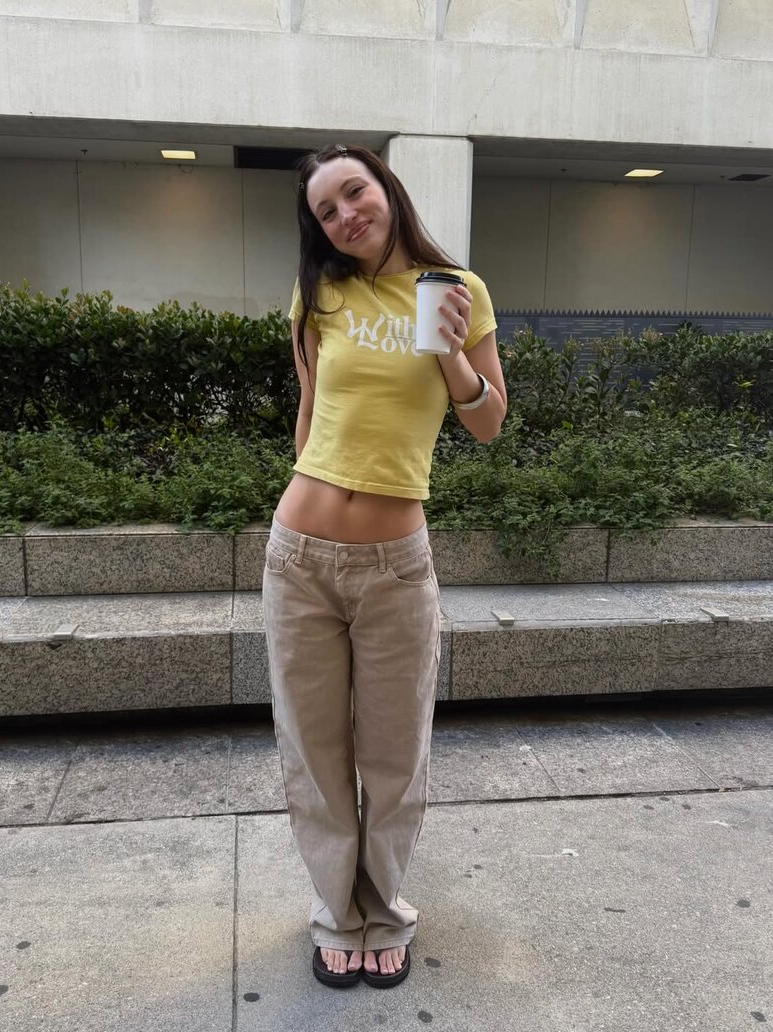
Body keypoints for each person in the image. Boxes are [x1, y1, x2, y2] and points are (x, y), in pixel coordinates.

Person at [262, 143, 507, 989]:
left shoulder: (461, 291)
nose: (345, 216)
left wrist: (449, 351)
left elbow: (488, 423)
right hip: (300, 555)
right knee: (315, 750)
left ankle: (384, 911)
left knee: (395, 755)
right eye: (325, 210)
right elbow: (309, 414)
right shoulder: (319, 292)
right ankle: (338, 913)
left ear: (386, 188)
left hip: (396, 565)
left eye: (353, 192)